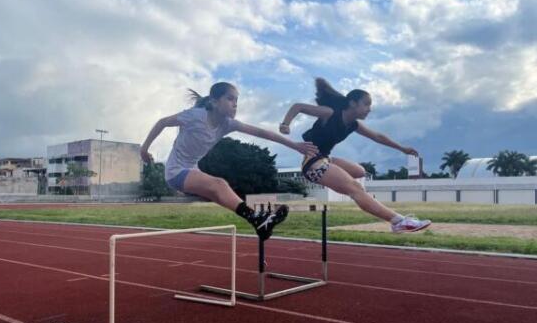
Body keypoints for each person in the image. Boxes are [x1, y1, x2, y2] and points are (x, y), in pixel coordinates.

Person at [140, 82, 319, 240]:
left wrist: (294, 145)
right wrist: (144, 149)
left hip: (192, 170)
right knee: (219, 184)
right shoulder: (194, 116)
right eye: (230, 99)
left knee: (220, 195)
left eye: (237, 101)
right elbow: (162, 122)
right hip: (175, 172)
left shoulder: (228, 124)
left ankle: (260, 224)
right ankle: (258, 218)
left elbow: (263, 133)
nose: (235, 104)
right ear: (214, 102)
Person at [279, 78, 431, 233]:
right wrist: (285, 124)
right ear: (352, 103)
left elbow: (377, 136)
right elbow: (298, 107)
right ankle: (398, 221)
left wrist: (402, 148)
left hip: (325, 158)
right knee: (356, 188)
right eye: (366, 104)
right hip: (312, 164)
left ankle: (348, 186)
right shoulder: (330, 113)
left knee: (360, 171)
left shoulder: (353, 125)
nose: (369, 109)